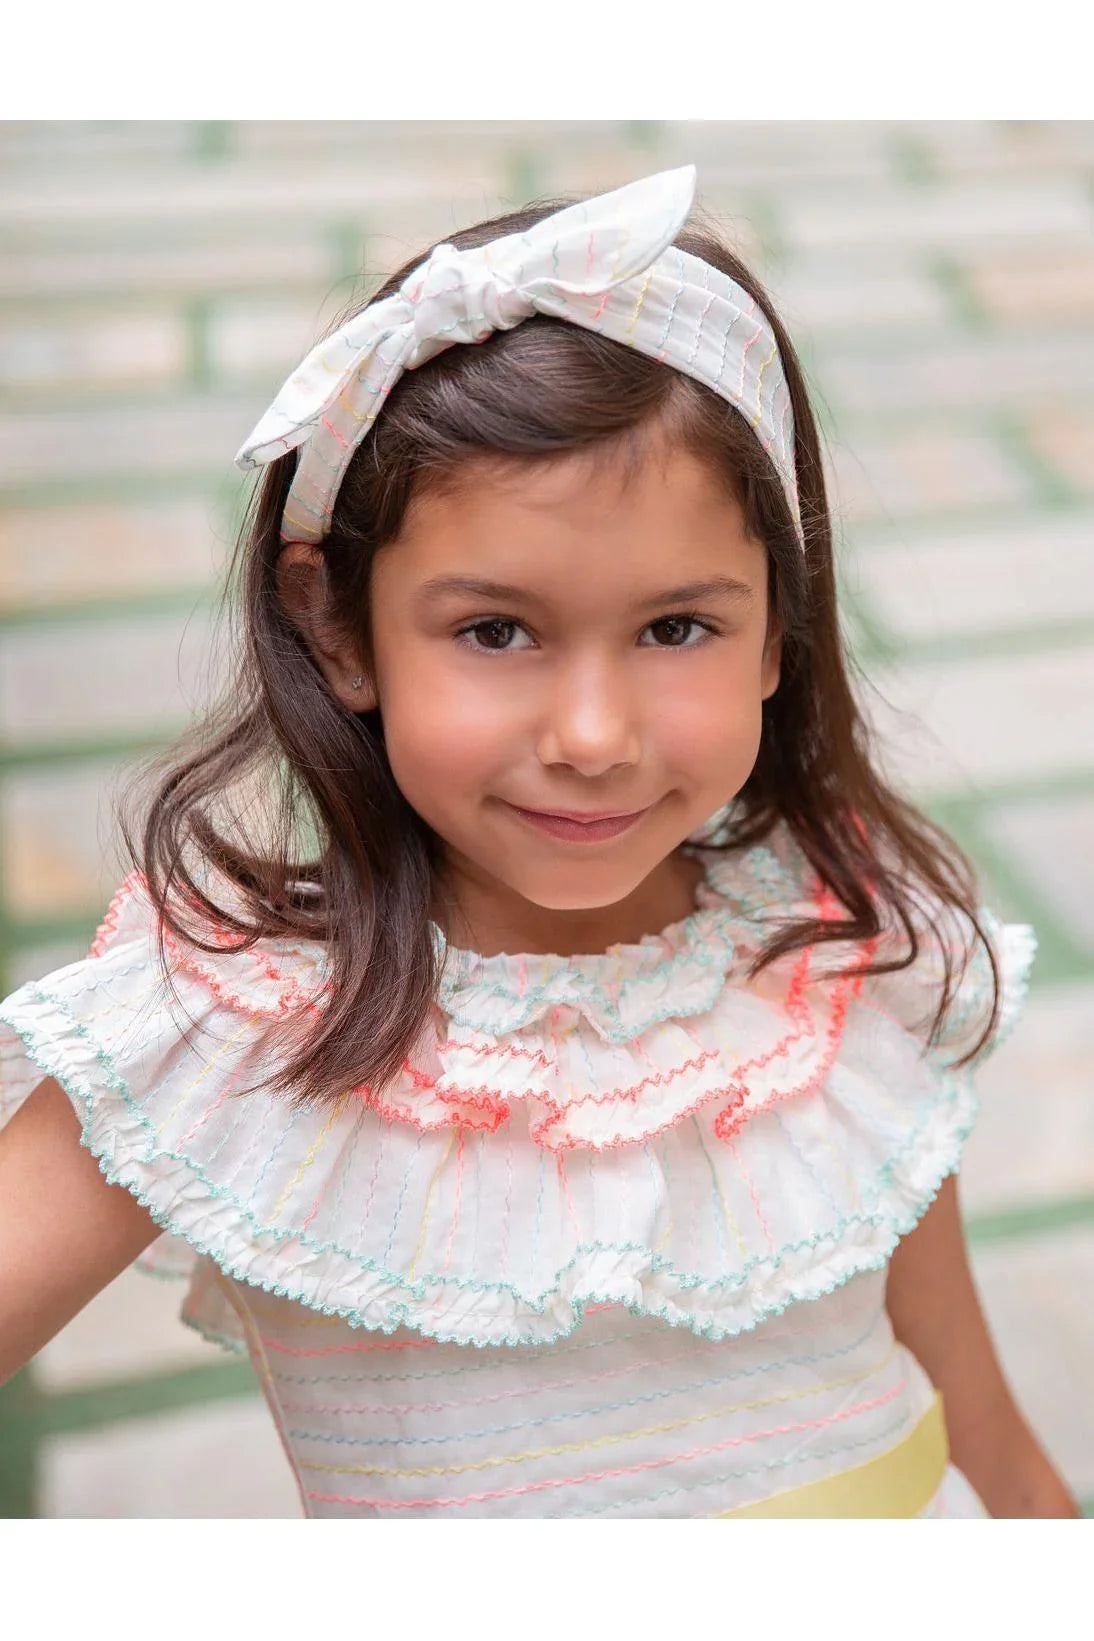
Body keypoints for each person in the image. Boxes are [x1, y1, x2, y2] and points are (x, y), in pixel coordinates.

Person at [0, 167, 1079, 1520]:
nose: (589, 733)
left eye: (677, 626)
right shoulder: (235, 1027)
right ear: (338, 628)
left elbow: (975, 1407)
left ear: (777, 628)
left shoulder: (834, 952)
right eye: (494, 630)